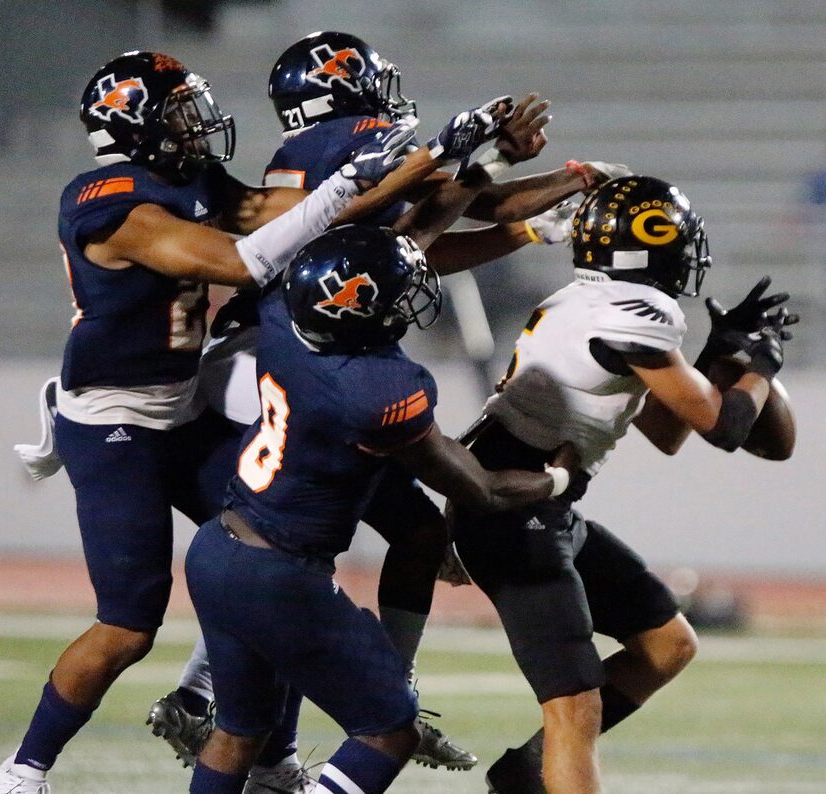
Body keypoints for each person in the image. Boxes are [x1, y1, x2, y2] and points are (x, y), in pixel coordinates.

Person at [0, 48, 495, 794]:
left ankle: (267, 753)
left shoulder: (187, 177)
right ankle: (22, 772)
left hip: (184, 407)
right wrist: (352, 182)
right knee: (129, 627)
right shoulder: (108, 202)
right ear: (131, 127)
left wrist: (436, 159)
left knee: (281, 558)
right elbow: (242, 263)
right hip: (115, 422)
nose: (195, 126)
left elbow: (289, 216)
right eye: (175, 113)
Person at [148, 29, 630, 781]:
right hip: (313, 370)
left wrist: (519, 207)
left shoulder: (304, 164)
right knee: (309, 549)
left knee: (294, 538)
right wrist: (557, 180)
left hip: (267, 350)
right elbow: (446, 216)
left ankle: (231, 704)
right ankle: (345, 695)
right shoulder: (368, 145)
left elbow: (415, 243)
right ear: (352, 84)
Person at [184, 222, 581, 794]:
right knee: (391, 730)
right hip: (281, 575)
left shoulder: (280, 313)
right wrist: (558, 478)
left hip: (218, 546)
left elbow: (393, 243)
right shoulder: (379, 391)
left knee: (239, 729)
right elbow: (483, 490)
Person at [448, 175, 798, 794]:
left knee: (666, 645)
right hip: (514, 507)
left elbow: (668, 431)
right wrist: (763, 365)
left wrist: (721, 353)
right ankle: (545, 772)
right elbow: (723, 427)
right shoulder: (640, 312)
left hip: (543, 504)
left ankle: (530, 772)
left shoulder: (585, 302)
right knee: (575, 705)